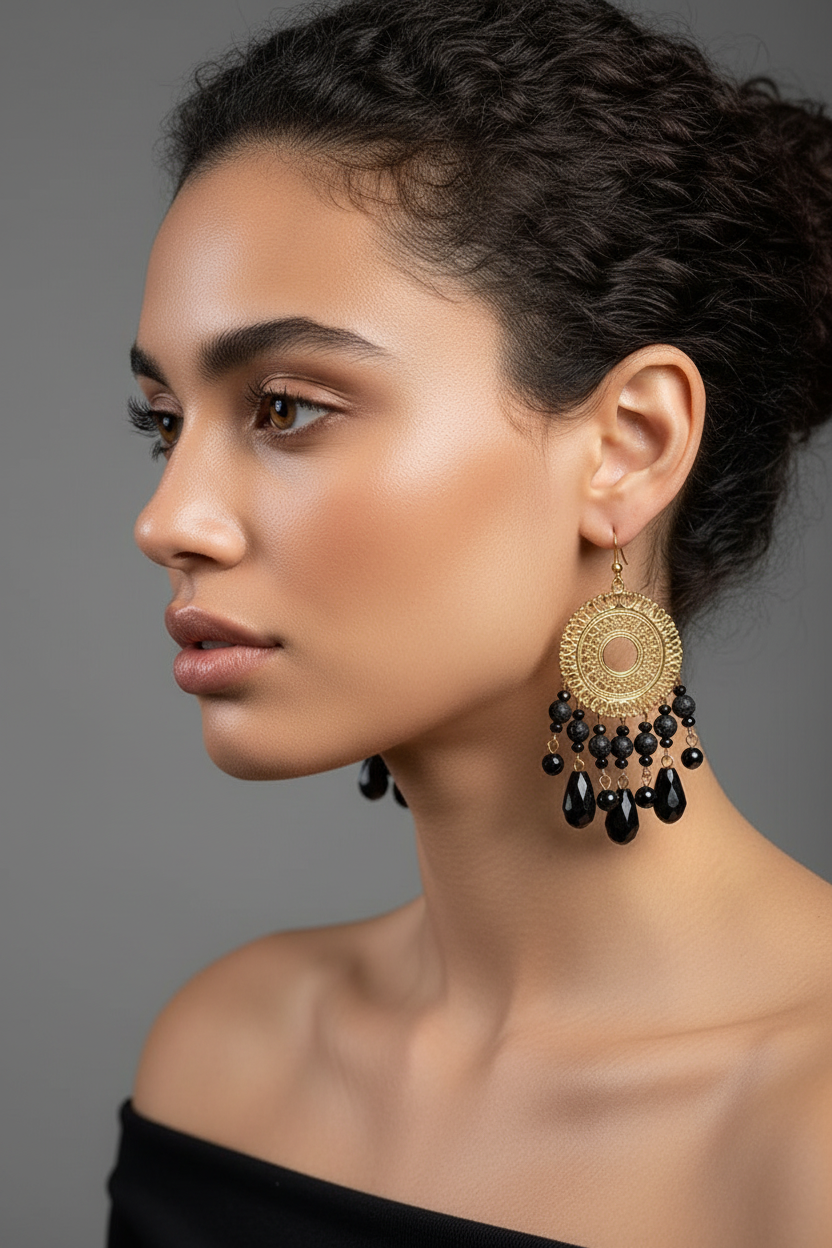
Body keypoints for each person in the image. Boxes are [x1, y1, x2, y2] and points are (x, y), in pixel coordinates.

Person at [106, 0, 832, 1243]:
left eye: (284, 407)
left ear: (627, 447)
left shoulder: (805, 1142)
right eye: (164, 422)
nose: (169, 519)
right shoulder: (225, 1057)